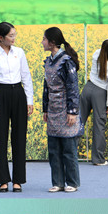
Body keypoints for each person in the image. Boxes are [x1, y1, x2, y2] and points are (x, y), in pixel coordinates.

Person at [0, 22, 34, 193]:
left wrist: (29, 100)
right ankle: (3, 180)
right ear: (1, 37)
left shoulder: (19, 52)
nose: (14, 38)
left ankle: (18, 180)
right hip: (1, 95)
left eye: (15, 35)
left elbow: (26, 76)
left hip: (18, 94)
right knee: (0, 138)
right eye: (10, 35)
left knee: (19, 138)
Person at [42, 27, 81, 193]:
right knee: (54, 149)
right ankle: (57, 182)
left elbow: (73, 87)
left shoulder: (66, 61)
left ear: (52, 43)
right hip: (53, 108)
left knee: (68, 149)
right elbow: (46, 87)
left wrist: (72, 111)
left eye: (44, 39)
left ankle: (72, 182)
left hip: (65, 109)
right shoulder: (48, 61)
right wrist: (45, 108)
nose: (42, 42)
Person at [81, 26, 108, 166]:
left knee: (79, 121)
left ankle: (68, 154)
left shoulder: (96, 55)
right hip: (100, 93)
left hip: (87, 89)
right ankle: (98, 159)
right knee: (99, 126)